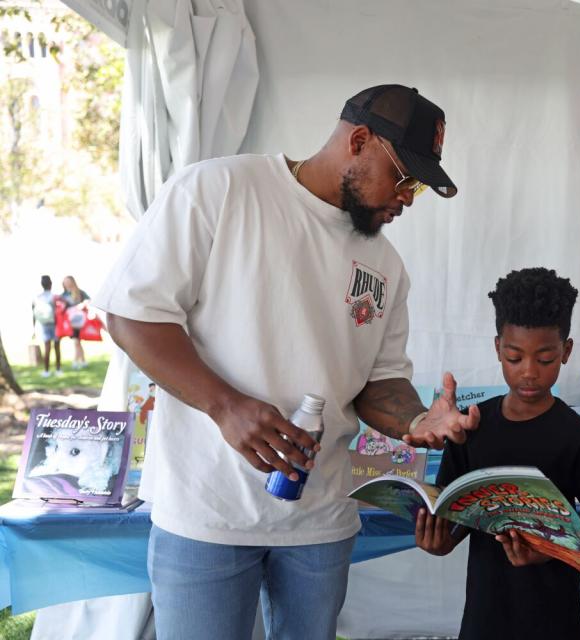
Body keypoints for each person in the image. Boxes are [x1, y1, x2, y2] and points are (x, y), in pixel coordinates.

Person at [95, 84, 479, 640]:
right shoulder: (219, 189)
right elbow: (132, 315)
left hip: (319, 523)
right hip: (207, 513)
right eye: (403, 176)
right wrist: (226, 407)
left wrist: (419, 421)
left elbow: (378, 382)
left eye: (419, 184)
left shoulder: (386, 266)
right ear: (359, 141)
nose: (409, 198)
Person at [415, 267, 580, 640]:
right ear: (497, 349)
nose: (529, 373)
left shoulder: (578, 435)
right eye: (514, 357)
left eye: (544, 359)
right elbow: (457, 511)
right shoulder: (471, 427)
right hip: (486, 607)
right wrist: (442, 542)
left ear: (566, 351)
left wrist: (552, 547)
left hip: (554, 610)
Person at [32, 275, 61, 378]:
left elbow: (33, 313)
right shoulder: (54, 296)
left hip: (44, 324)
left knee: (47, 347)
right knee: (57, 347)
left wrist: (33, 329)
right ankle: (58, 369)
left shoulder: (37, 297)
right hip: (55, 324)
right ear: (51, 284)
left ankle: (46, 371)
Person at [61, 275, 90, 369]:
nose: (67, 284)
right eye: (65, 282)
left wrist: (82, 304)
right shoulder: (64, 295)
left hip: (79, 321)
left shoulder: (80, 293)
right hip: (70, 322)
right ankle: (83, 361)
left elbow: (88, 300)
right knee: (78, 342)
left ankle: (75, 361)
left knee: (76, 342)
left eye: (68, 282)